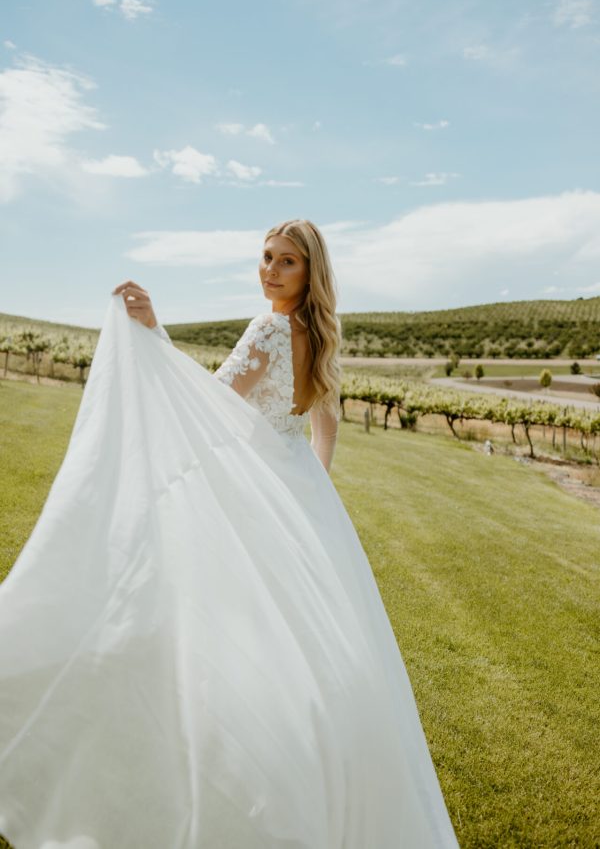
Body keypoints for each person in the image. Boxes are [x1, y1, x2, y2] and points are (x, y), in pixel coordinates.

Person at [0, 219, 460, 848]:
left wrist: (154, 335)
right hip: (299, 495)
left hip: (270, 490)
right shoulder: (319, 336)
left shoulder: (270, 327)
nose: (270, 270)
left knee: (235, 629)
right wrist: (303, 492)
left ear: (310, 273)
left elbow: (207, 401)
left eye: (287, 261)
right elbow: (324, 430)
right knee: (297, 644)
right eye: (266, 257)